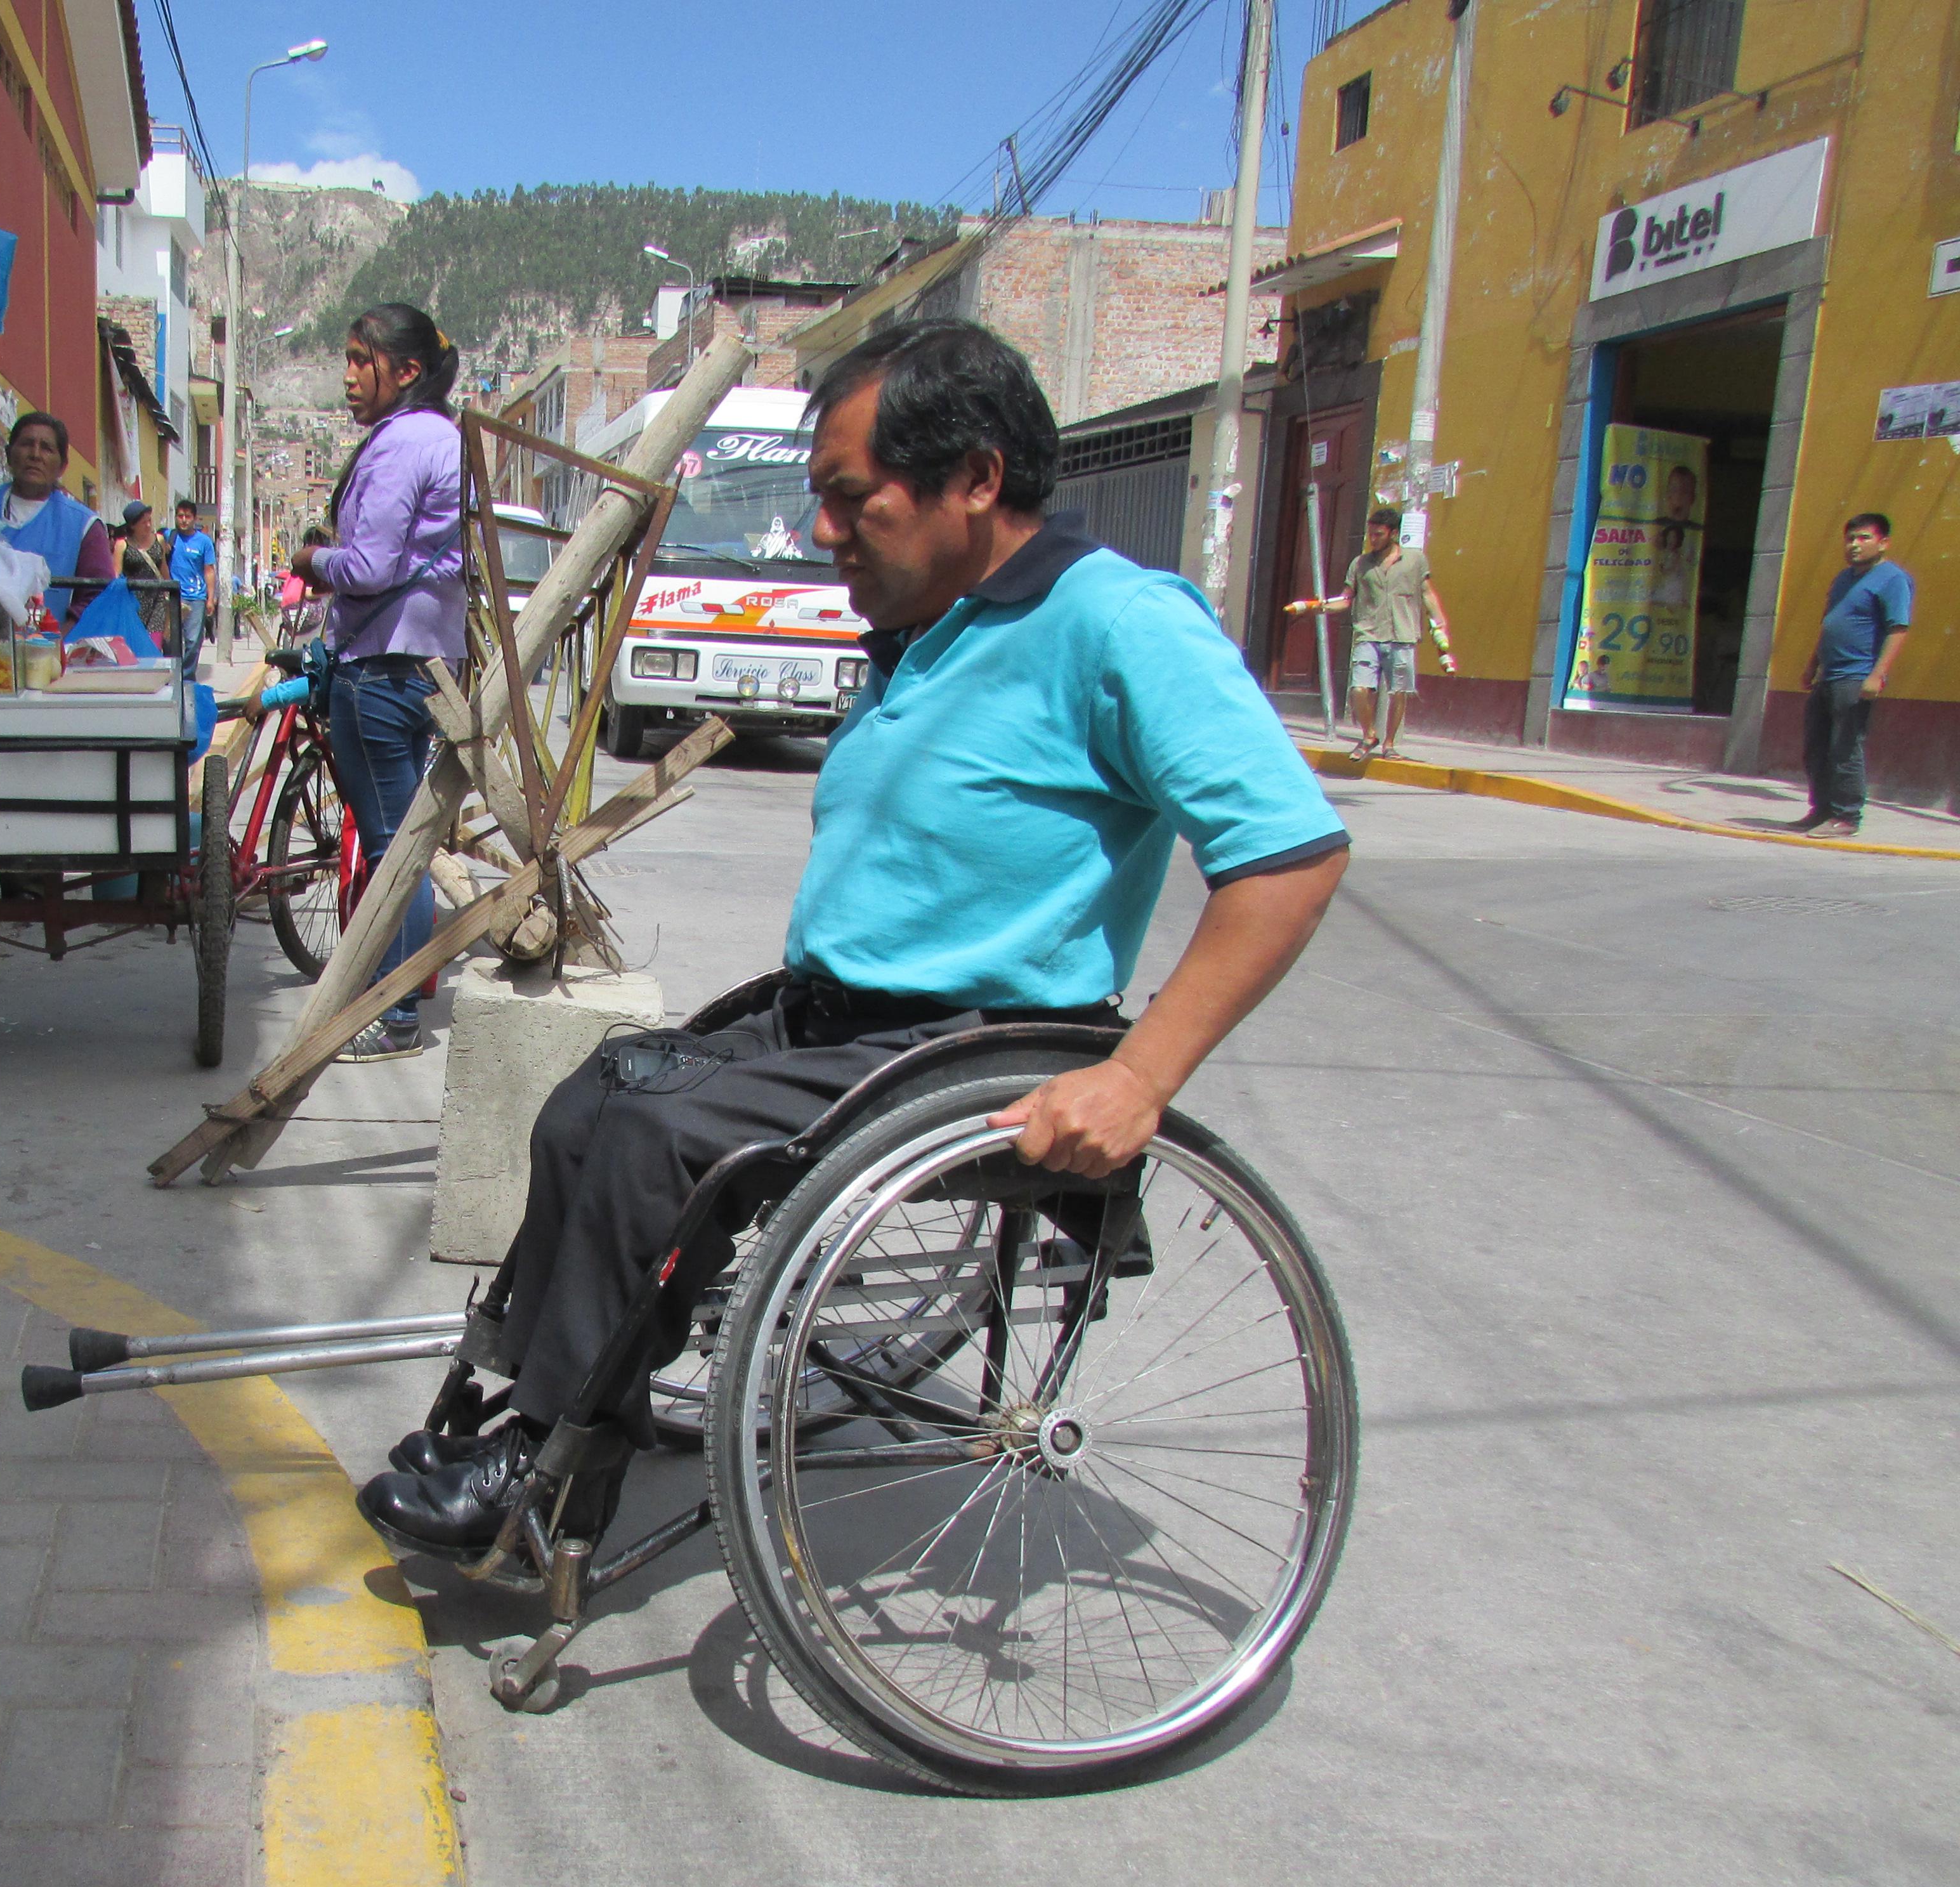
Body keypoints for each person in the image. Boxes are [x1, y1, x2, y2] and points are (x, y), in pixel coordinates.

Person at [358, 318, 1349, 1555]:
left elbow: (1293, 858)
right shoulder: (926, 628)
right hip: (840, 1022)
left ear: (976, 478)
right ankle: (524, 1401)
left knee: (663, 1146)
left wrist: (1142, 1078)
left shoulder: (1119, 621)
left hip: (973, 1043)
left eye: (845, 497)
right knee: (596, 1098)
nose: (821, 534)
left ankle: (554, 1465)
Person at [287, 303, 466, 1064]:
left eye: (363, 360)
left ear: (407, 372)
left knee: (394, 849)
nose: (350, 376)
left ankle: (395, 1020)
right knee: (407, 839)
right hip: (426, 665)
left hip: (380, 667)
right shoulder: (447, 440)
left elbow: (366, 569)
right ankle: (401, 1000)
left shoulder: (400, 446)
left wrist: (311, 563)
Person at [1290, 506, 1451, 757]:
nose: (1372, 539)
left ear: (1394, 534)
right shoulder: (1360, 564)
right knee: (1359, 689)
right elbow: (1346, 598)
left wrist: (1439, 623)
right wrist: (1318, 609)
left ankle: (1390, 745)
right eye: (1371, 535)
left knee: (1399, 693)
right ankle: (1369, 736)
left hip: (1403, 634)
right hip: (1369, 634)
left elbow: (1427, 593)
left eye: (1378, 534)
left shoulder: (1415, 561)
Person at [1791, 512, 1912, 842]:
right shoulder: (1844, 580)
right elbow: (1830, 623)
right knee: (1816, 746)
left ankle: (1847, 816)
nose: (1855, 545)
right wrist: (1812, 664)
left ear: (1883, 543)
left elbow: (1898, 629)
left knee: (1846, 747)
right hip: (1828, 676)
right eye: (1851, 538)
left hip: (1856, 677)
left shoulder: (1892, 579)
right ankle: (1822, 810)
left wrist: (1878, 675)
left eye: (1864, 538)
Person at [0, 412, 115, 625]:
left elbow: (99, 597)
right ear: (9, 454)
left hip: (44, 652)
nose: (35, 455)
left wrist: (57, 645)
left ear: (63, 466)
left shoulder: (84, 526)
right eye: (27, 444)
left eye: (47, 448)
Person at [165, 497, 218, 679]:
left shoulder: (204, 542)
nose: (184, 520)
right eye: (180, 516)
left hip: (196, 598)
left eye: (188, 516)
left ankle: (187, 676)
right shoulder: (169, 537)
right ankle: (172, 675)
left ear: (195, 518)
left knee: (193, 641)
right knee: (171, 640)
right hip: (173, 597)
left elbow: (209, 571)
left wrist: (210, 598)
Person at [113, 499, 174, 654]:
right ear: (132, 525)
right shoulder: (122, 545)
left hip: (157, 601)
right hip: (133, 604)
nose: (148, 525)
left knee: (153, 648)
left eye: (149, 521)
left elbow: (163, 567)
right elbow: (116, 576)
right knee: (134, 649)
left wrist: (171, 590)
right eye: (143, 522)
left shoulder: (159, 540)